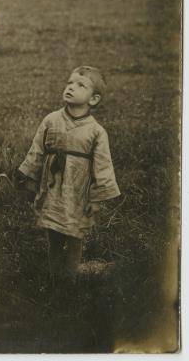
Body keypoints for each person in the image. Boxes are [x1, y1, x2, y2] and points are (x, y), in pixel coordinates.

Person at [15, 66, 120, 279]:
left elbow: (103, 166)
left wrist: (96, 198)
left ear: (93, 99)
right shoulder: (51, 120)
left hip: (78, 190)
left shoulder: (96, 131)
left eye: (80, 85)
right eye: (70, 82)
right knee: (53, 229)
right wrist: (30, 177)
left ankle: (71, 276)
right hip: (53, 186)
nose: (71, 87)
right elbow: (37, 150)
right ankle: (54, 274)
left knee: (75, 233)